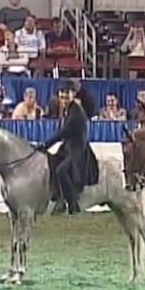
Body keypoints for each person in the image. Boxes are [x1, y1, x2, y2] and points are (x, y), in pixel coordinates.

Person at [35, 81, 99, 214]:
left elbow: (63, 132)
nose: (64, 95)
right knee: (51, 160)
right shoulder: (66, 110)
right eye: (62, 93)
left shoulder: (76, 112)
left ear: (73, 94)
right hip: (67, 148)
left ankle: (72, 203)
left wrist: (45, 145)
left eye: (67, 93)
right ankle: (57, 195)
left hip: (78, 150)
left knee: (61, 171)